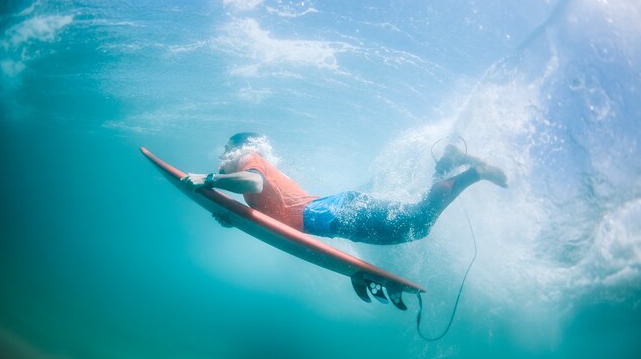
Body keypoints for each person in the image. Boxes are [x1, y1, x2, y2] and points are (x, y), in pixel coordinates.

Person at [181, 132, 507, 245]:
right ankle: (449, 162)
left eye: (226, 150)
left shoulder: (247, 161)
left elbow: (254, 182)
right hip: (337, 219)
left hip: (339, 213)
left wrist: (209, 180)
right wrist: (233, 216)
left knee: (419, 222)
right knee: (416, 225)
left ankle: (472, 172)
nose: (222, 157)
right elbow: (271, 211)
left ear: (238, 149)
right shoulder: (247, 184)